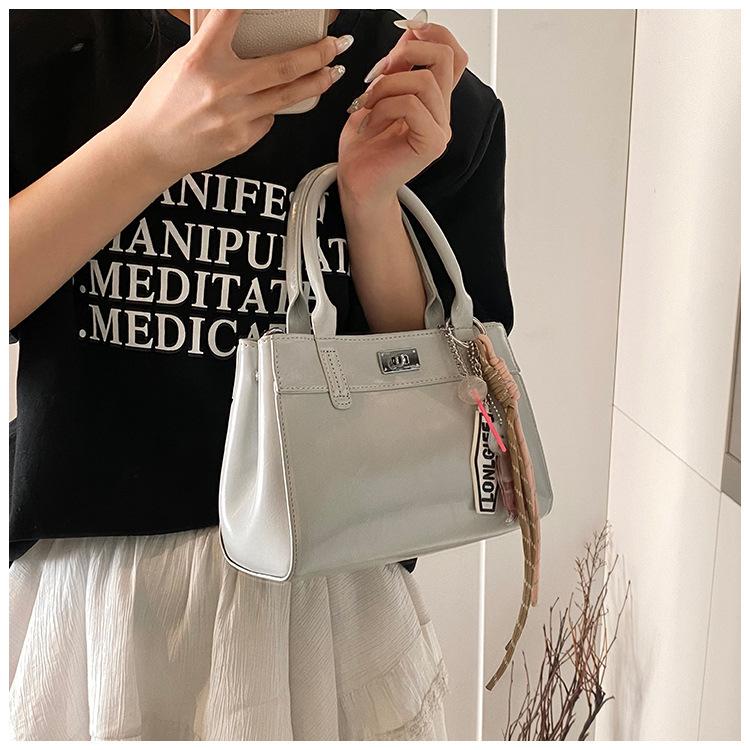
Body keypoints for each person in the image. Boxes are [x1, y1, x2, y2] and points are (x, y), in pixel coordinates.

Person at [8, 8, 514, 741]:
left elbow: (456, 413)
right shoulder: (50, 42)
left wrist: (371, 203)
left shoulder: (425, 94)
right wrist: (143, 147)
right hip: (93, 613)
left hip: (327, 610)